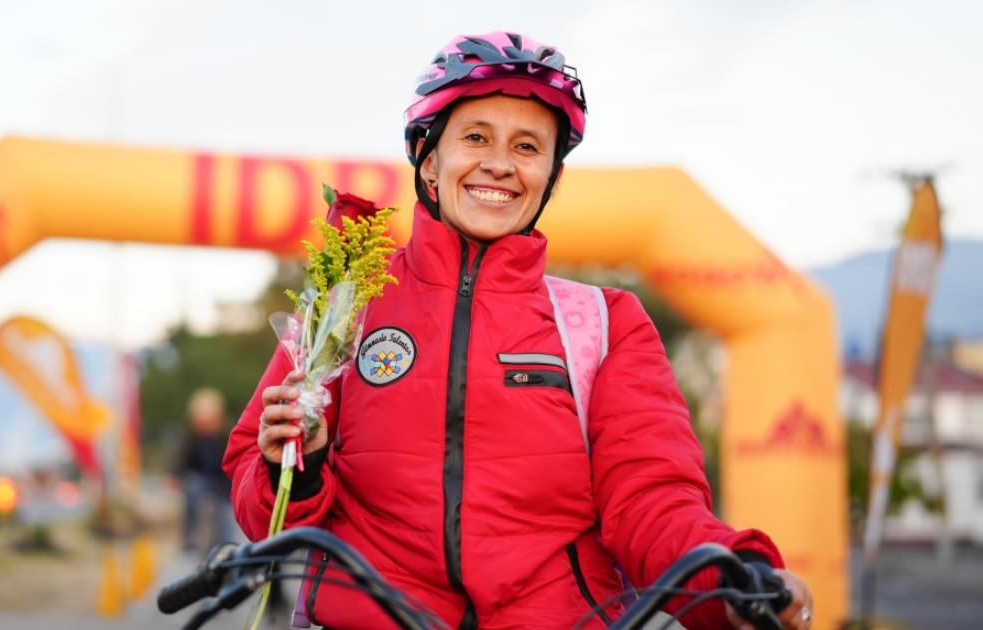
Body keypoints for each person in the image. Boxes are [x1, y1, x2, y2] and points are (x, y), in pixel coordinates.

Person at [224, 32, 814, 630]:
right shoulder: (347, 302)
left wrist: (732, 577)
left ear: (550, 177)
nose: (500, 164)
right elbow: (257, 496)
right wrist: (293, 466)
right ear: (429, 160)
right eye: (475, 136)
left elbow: (651, 498)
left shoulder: (607, 324)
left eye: (528, 146)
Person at [169, 387, 237, 551]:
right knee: (192, 490)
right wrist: (174, 475)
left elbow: (236, 457)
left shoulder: (227, 434)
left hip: (223, 481)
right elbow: (180, 457)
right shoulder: (191, 436)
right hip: (200, 479)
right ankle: (190, 536)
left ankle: (226, 545)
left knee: (225, 515)